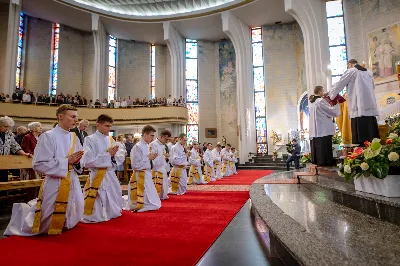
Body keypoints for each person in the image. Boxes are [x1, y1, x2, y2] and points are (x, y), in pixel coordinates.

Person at [4, 105, 84, 236]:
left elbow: (80, 158)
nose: (76, 120)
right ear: (60, 116)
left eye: (76, 117)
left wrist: (78, 162)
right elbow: (39, 164)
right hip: (55, 181)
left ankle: (65, 223)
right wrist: (66, 161)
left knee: (77, 207)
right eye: (73, 116)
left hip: (72, 179)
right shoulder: (48, 136)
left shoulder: (74, 137)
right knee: (46, 216)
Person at [81, 114, 125, 223]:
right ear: (98, 125)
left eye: (110, 126)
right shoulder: (89, 139)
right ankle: (97, 214)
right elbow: (88, 160)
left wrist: (114, 156)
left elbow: (119, 156)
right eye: (106, 126)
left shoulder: (111, 140)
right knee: (97, 197)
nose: (109, 129)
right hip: (97, 174)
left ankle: (111, 212)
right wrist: (108, 155)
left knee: (114, 194)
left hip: (110, 173)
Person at [327, 59, 379, 145]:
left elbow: (340, 84)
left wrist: (330, 95)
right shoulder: (368, 72)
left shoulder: (351, 71)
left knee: (362, 140)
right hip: (370, 107)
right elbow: (373, 87)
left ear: (350, 64)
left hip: (358, 107)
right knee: (371, 138)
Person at [125, 125, 161, 212]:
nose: (153, 138)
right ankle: (141, 204)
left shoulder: (147, 146)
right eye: (151, 135)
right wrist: (148, 158)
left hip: (147, 173)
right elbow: (135, 164)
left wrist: (151, 158)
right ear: (145, 134)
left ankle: (144, 204)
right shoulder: (137, 147)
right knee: (144, 193)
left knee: (153, 199)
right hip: (140, 174)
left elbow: (147, 159)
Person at [309, 86, 341, 166]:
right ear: (320, 92)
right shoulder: (320, 101)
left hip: (316, 131)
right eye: (323, 91)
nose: (323, 93)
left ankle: (319, 161)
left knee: (318, 146)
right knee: (325, 146)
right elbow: (332, 112)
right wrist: (337, 103)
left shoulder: (312, 102)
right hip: (323, 129)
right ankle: (326, 162)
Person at [0, 117, 32, 183]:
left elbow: (15, 146)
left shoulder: (8, 134)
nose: (7, 129)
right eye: (5, 126)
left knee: (3, 183)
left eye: (9, 127)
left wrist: (24, 154)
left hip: (4, 163)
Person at [150, 129, 171, 200]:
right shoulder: (153, 144)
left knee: (164, 185)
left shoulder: (163, 145)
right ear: (161, 137)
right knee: (157, 185)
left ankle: (163, 195)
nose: (167, 141)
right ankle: (157, 197)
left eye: (168, 139)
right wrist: (163, 158)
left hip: (162, 167)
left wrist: (166, 157)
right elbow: (153, 159)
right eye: (166, 139)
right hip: (156, 169)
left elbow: (163, 155)